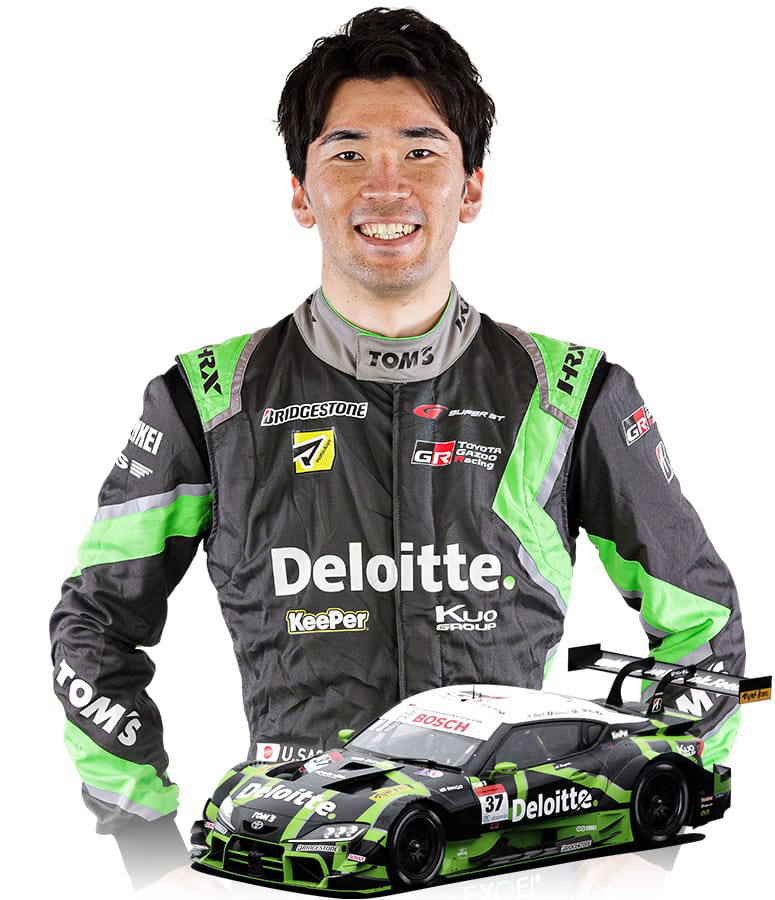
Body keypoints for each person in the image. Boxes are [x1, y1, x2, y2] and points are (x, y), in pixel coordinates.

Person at [49, 6, 745, 890]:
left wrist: (650, 844)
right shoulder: (206, 400)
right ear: (300, 191)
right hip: (297, 856)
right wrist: (147, 850)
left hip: (513, 867)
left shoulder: (573, 393)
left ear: (471, 187)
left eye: (421, 151)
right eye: (347, 155)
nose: (385, 188)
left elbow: (700, 623)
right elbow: (93, 628)